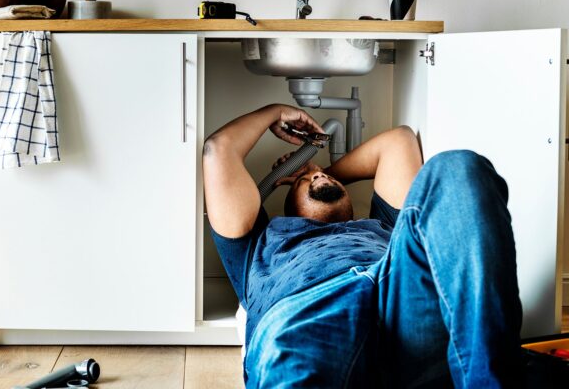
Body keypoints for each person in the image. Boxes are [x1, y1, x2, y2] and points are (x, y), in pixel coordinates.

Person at [202, 104, 522, 388]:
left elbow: (399, 141)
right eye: (303, 183)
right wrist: (274, 112)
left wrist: (317, 172)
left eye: (321, 179)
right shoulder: (260, 241)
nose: (316, 180)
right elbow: (219, 150)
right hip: (308, 313)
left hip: (398, 296)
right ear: (288, 207)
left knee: (458, 168)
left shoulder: (382, 224)